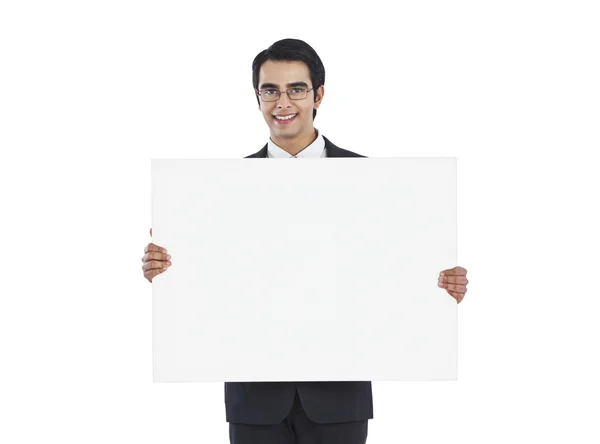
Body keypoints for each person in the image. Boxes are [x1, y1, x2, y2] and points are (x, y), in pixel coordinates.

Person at [141, 38, 469, 444]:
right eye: (270, 90)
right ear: (256, 97)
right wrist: (169, 267)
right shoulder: (218, 190)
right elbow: (212, 278)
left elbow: (395, 268)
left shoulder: (374, 181)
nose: (283, 102)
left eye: (296, 89)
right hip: (254, 398)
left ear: (319, 95)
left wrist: (439, 286)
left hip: (338, 397)